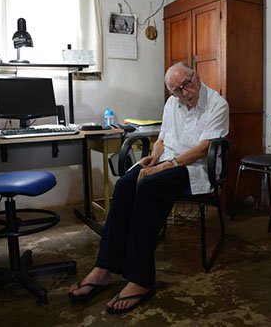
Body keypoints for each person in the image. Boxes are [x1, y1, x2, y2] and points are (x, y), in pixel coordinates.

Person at [67, 63, 229, 313]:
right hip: (168, 163)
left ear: (196, 76)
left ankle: (141, 279)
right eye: (176, 90)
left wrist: (164, 167)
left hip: (196, 168)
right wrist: (153, 158)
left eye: (187, 83)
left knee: (149, 186)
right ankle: (104, 267)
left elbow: (203, 148)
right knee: (125, 185)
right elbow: (162, 139)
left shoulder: (218, 104)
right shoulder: (172, 104)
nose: (184, 92)